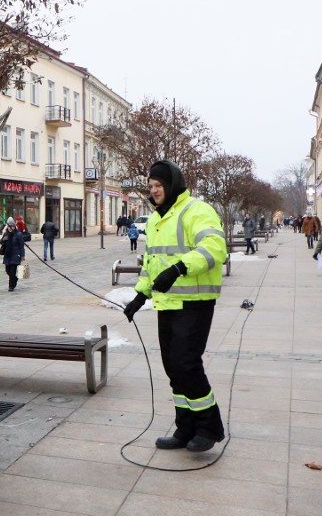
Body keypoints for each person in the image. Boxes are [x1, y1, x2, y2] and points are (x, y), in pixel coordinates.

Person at [123, 160, 227, 453]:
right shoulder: (157, 219)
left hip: (194, 302)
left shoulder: (197, 210)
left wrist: (180, 267)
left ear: (172, 184)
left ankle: (209, 428)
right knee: (173, 368)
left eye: (159, 185)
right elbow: (153, 264)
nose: (154, 191)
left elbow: (215, 250)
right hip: (166, 303)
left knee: (186, 364)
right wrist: (140, 296)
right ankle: (185, 428)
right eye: (151, 186)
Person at [0, 217, 25, 291]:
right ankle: (15, 279)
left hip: (15, 255)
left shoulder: (18, 234)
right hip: (7, 255)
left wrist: (22, 255)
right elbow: (1, 242)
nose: (10, 228)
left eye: (11, 227)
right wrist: (3, 239)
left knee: (12, 272)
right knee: (7, 270)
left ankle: (11, 286)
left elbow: (21, 246)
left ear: (14, 226)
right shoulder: (6, 233)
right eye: (8, 226)